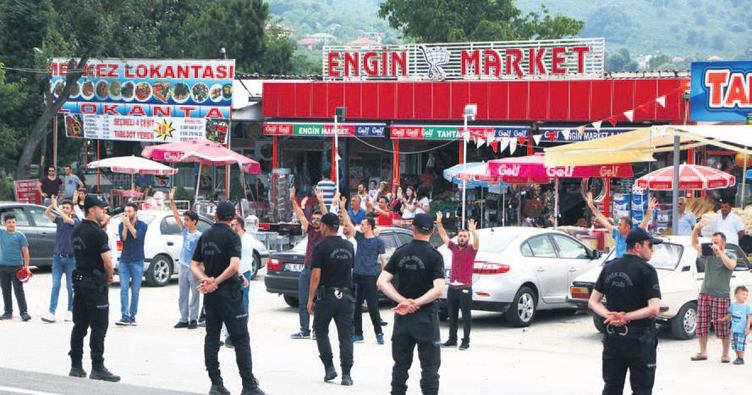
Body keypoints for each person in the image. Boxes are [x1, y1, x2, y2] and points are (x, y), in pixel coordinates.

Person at [190, 201, 265, 395]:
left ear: (215, 215)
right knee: (240, 339)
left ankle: (216, 383)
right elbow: (232, 265)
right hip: (229, 295)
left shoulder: (205, 235)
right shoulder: (232, 236)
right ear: (233, 217)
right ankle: (248, 385)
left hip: (212, 297)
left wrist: (207, 280)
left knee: (212, 338)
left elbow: (194, 265)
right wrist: (217, 281)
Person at [588, 227, 662, 395]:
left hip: (613, 338)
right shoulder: (647, 271)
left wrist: (610, 315)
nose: (653, 250)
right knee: (642, 390)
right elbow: (654, 308)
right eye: (650, 245)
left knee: (611, 388)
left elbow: (593, 302)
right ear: (637, 246)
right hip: (639, 341)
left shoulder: (609, 267)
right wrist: (625, 317)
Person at [377, 213, 445, 395]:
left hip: (403, 316)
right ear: (431, 231)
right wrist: (416, 302)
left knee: (400, 366)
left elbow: (382, 281)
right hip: (426, 318)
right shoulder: (434, 256)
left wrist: (403, 301)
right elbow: (439, 289)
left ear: (412, 229)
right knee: (430, 368)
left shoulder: (401, 252)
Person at [68, 195, 120, 381]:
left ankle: (76, 365)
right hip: (94, 282)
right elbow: (107, 261)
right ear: (91, 210)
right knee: (99, 325)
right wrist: (110, 276)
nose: (104, 211)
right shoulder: (98, 233)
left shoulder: (77, 230)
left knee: (79, 324)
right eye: (101, 208)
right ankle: (97, 367)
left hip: (79, 279)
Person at [307, 212, 356, 386]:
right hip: (346, 296)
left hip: (327, 295)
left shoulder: (321, 247)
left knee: (320, 330)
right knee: (346, 336)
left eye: (321, 225)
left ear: (325, 227)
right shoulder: (349, 246)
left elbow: (315, 275)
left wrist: (310, 299)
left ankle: (329, 368)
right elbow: (351, 270)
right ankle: (347, 374)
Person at [340, 199, 386, 345]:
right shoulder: (359, 237)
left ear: (370, 227)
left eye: (364, 224)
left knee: (373, 307)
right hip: (358, 276)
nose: (361, 226)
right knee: (356, 306)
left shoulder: (379, 242)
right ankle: (358, 333)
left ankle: (379, 333)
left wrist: (383, 279)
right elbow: (348, 223)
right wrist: (342, 207)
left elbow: (384, 261)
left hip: (371, 277)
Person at [691, 220, 736, 363]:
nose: (713, 245)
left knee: (722, 326)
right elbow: (694, 244)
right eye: (712, 242)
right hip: (705, 294)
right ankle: (703, 352)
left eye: (716, 242)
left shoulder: (730, 254)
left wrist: (720, 253)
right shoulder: (708, 253)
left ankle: (725, 353)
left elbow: (731, 266)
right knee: (702, 324)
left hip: (721, 296)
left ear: (724, 243)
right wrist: (696, 229)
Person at [436, 212, 479, 350]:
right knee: (452, 316)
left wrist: (473, 232)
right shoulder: (454, 248)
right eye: (460, 236)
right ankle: (452, 339)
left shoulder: (472, 249)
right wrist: (439, 223)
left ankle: (465, 341)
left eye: (464, 236)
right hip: (452, 288)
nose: (462, 238)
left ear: (468, 238)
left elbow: (477, 242)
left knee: (466, 316)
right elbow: (443, 236)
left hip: (465, 288)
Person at [290, 185, 327, 339]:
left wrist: (321, 202)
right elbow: (300, 215)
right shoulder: (310, 229)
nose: (316, 221)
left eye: (319, 219)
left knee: (319, 302)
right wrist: (293, 200)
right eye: (314, 219)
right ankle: (304, 330)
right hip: (306, 270)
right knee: (303, 300)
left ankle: (316, 331)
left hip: (320, 272)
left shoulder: (326, 233)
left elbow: (327, 215)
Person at [42, 197, 80, 323]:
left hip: (71, 259)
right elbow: (47, 213)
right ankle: (51, 312)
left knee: (70, 287)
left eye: (67, 208)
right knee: (56, 285)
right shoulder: (59, 219)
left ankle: (70, 310)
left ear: (72, 210)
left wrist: (57, 208)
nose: (64, 209)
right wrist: (52, 205)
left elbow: (67, 219)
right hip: (57, 258)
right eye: (64, 207)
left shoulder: (75, 220)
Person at [170, 189, 202, 330]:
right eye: (185, 219)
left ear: (194, 221)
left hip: (193, 268)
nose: (185, 221)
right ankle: (183, 318)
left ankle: (193, 319)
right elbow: (176, 217)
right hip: (183, 266)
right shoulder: (185, 231)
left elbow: (201, 255)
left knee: (195, 294)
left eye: (188, 220)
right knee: (182, 294)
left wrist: (199, 269)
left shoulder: (199, 236)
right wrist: (172, 201)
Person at [586, 192, 654, 258]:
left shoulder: (635, 235)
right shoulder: (617, 233)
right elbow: (603, 221)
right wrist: (592, 206)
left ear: (627, 227)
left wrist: (650, 210)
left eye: (620, 225)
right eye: (618, 224)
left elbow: (644, 222)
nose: (618, 227)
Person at [115, 202, 148, 326]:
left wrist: (128, 224)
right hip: (124, 260)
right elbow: (123, 239)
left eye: (129, 211)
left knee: (135, 291)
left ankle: (133, 316)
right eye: (125, 211)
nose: (127, 214)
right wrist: (124, 226)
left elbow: (137, 236)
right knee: (124, 289)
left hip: (137, 261)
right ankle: (125, 316)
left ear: (135, 212)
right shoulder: (121, 225)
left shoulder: (142, 225)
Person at [225, 217, 255, 347]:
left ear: (240, 226)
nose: (231, 227)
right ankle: (229, 335)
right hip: (231, 273)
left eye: (234, 224)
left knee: (243, 303)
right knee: (229, 303)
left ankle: (241, 332)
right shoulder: (232, 238)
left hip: (244, 274)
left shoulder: (247, 239)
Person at [0, 214, 31, 321]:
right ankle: (8, 312)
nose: (11, 224)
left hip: (17, 267)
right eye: (9, 222)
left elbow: (25, 252)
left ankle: (24, 312)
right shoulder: (1, 233)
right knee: (5, 290)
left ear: (16, 223)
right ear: (4, 223)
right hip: (3, 267)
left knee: (19, 290)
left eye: (13, 222)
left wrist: (26, 267)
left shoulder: (20, 235)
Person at [715, 286, 752, 365]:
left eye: (746, 295)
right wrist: (723, 319)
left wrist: (748, 327)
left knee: (740, 345)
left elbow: (749, 317)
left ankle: (741, 358)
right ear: (736, 295)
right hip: (734, 330)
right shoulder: (733, 305)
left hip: (742, 330)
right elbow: (730, 314)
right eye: (743, 294)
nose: (745, 296)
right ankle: (738, 357)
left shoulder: (747, 306)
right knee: (735, 345)